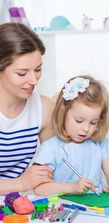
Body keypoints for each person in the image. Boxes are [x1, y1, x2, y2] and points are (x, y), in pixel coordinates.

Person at [34, 75, 109, 196]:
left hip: (96, 208)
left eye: (93, 122)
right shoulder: (51, 148)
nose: (86, 129)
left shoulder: (99, 144)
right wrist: (72, 187)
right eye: (79, 121)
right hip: (64, 208)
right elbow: (39, 188)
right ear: (63, 113)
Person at [0, 23, 54, 195]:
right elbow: (23, 183)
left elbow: (56, 163)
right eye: (22, 73)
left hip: (14, 208)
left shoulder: (44, 109)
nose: (33, 81)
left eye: (38, 70)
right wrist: (19, 184)